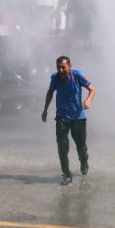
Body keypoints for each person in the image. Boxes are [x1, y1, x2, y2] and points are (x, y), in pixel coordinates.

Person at [42, 56, 97, 185]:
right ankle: (66, 174)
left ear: (69, 67)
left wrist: (88, 100)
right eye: (58, 67)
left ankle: (84, 161)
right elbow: (50, 92)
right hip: (62, 117)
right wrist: (45, 109)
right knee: (62, 147)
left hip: (78, 117)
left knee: (81, 147)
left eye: (63, 67)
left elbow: (93, 89)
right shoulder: (55, 78)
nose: (61, 70)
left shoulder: (77, 76)